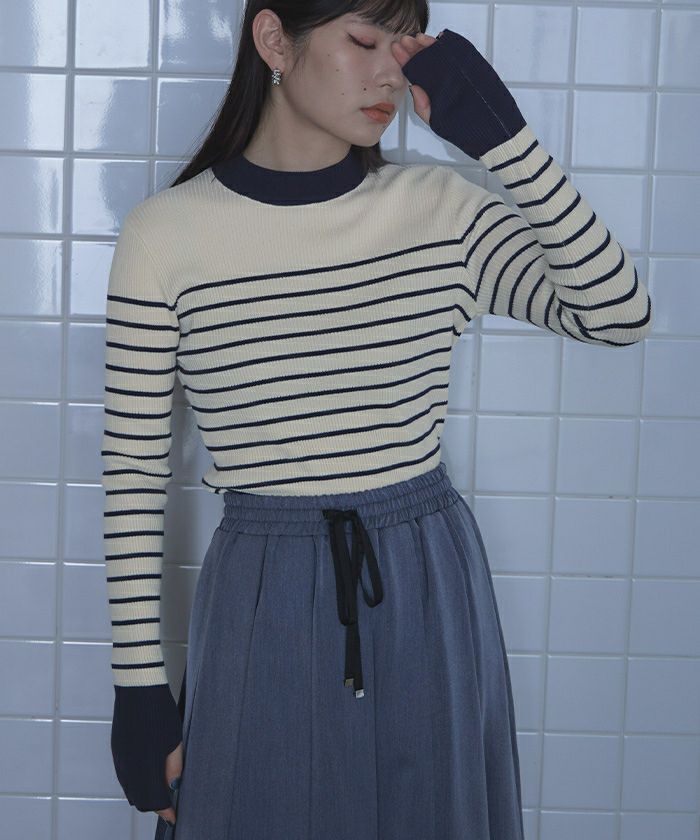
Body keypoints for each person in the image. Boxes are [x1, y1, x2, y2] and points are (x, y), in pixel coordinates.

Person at [101, 1, 652, 838]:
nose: (391, 72)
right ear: (274, 40)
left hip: (424, 576)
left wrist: (506, 141)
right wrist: (139, 688)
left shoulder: (441, 210)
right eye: (364, 41)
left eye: (403, 47)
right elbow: (135, 474)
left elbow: (617, 314)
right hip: (262, 588)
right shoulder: (165, 236)